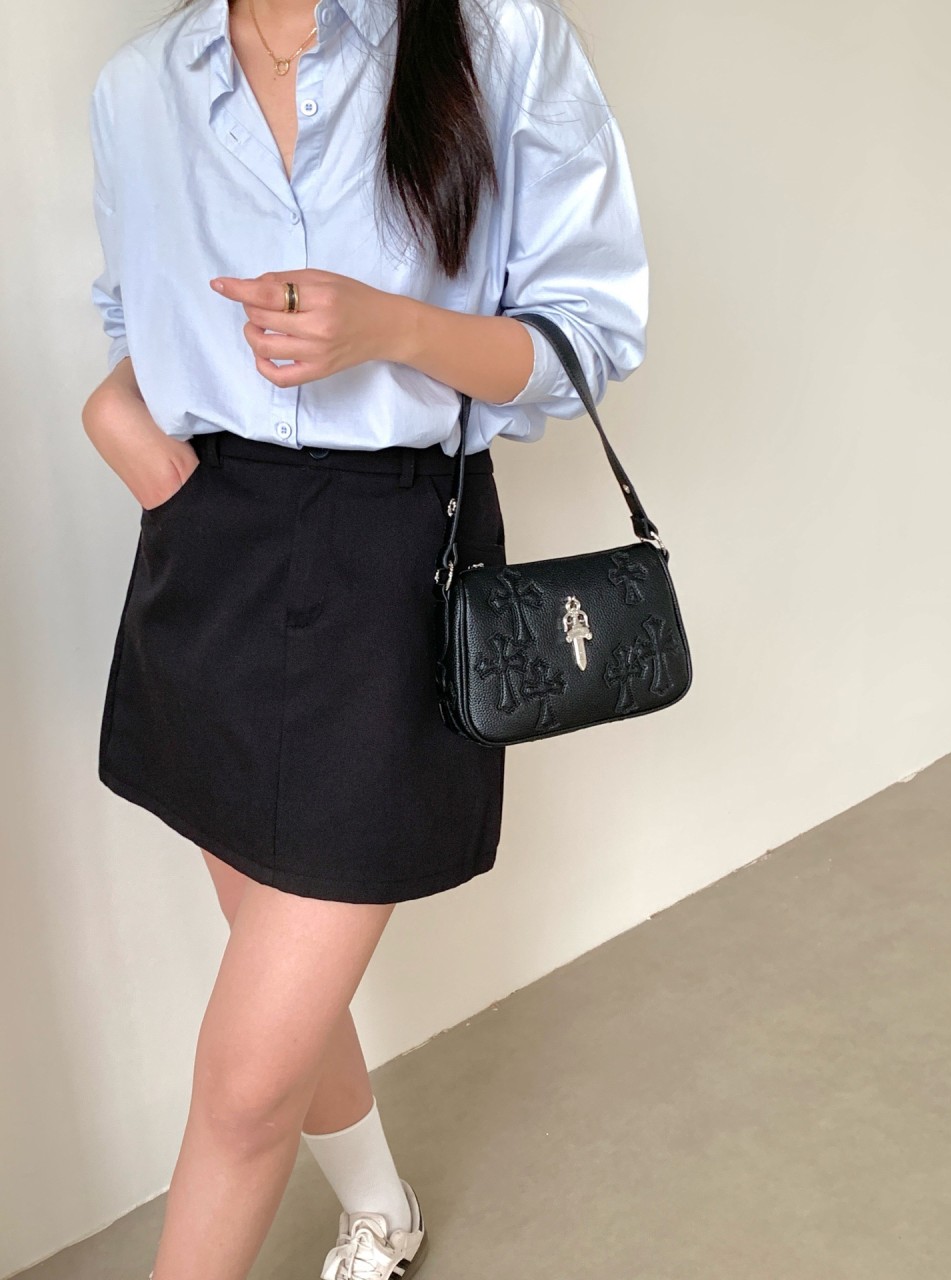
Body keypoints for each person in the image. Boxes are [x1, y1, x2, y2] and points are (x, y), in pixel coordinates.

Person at [82, 0, 648, 1274]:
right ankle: (383, 1210)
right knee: (275, 993)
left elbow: (588, 334)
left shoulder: (499, 39)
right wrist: (120, 423)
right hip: (207, 556)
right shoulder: (137, 88)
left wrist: (391, 327)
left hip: (396, 556)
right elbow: (139, 317)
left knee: (243, 1082)